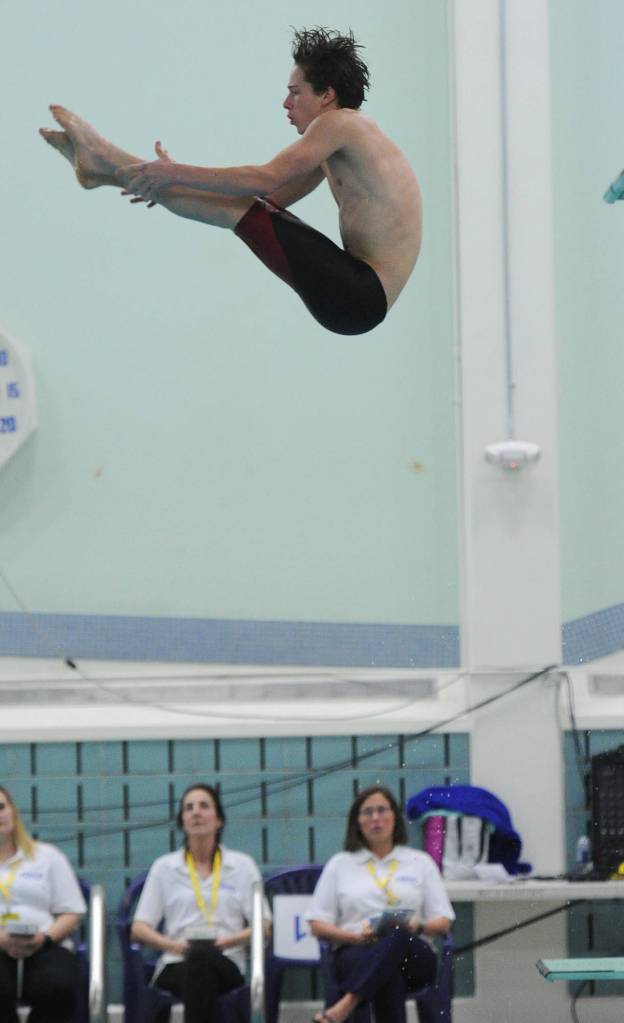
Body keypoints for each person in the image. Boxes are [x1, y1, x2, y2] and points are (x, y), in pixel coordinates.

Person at [39, 27, 422, 336]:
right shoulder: (342, 141)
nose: (286, 105)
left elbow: (263, 177)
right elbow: (270, 198)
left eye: (295, 93)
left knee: (238, 209)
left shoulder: (341, 124)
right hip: (357, 296)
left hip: (361, 294)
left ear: (327, 96)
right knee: (239, 210)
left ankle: (105, 157)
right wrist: (171, 185)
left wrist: (175, 173)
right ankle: (102, 170)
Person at [306, 785, 454, 1023]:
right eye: (367, 812)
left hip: (414, 954)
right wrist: (354, 938)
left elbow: (443, 921)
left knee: (396, 934)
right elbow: (316, 924)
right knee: (388, 974)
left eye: (382, 810)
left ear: (395, 817)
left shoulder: (420, 862)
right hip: (357, 950)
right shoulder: (341, 864)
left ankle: (345, 1005)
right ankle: (350, 1001)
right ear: (357, 822)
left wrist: (417, 927)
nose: (375, 818)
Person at [131, 783, 268, 1023]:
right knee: (198, 964)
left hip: (226, 960)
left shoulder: (242, 866)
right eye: (189, 808)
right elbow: (139, 928)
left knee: (202, 960)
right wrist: (176, 947)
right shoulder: (165, 867)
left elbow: (264, 925)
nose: (196, 812)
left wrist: (229, 941)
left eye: (204, 806)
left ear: (219, 820)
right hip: (175, 962)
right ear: (182, 821)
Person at [0, 785, 87, 1023]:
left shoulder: (48, 857)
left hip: (45, 943)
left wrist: (44, 938)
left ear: (13, 813)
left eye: (1, 807)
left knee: (58, 988)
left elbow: (71, 912)